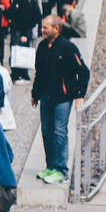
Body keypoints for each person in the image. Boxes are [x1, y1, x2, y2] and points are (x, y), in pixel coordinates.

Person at [32, 14, 90, 184]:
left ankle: (62, 170)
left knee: (59, 132)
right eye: (42, 27)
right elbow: (39, 72)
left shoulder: (68, 47)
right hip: (45, 96)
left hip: (63, 97)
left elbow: (83, 71)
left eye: (45, 27)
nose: (42, 30)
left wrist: (79, 94)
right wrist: (35, 94)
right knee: (46, 132)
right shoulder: (42, 47)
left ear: (56, 29)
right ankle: (50, 166)